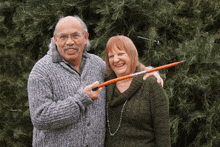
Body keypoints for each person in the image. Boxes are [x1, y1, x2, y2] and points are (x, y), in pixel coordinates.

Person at [27, 15, 163, 147]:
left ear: (85, 37)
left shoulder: (96, 64)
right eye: (63, 37)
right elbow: (40, 118)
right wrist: (80, 100)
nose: (69, 42)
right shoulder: (41, 71)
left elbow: (124, 70)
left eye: (75, 35)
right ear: (55, 40)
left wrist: (148, 70)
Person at [104, 35, 170, 147]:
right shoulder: (105, 86)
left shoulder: (151, 84)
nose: (116, 59)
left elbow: (163, 133)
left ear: (132, 55)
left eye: (121, 54)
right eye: (111, 56)